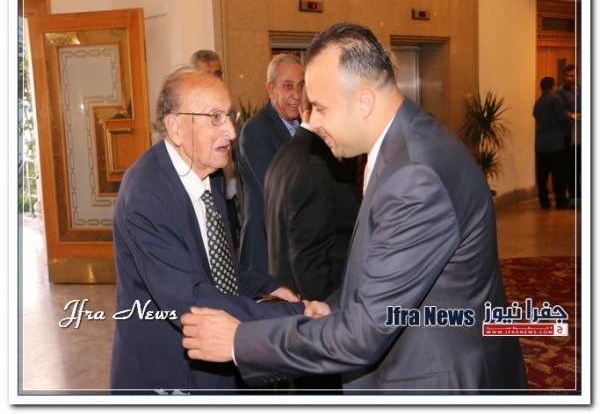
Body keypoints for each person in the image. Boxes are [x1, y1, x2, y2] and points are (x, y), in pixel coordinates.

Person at [180, 23, 528, 393]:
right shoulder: (405, 144)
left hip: (435, 378)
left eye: (320, 107)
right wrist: (334, 307)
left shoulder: (415, 175)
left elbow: (364, 334)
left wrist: (240, 341)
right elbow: (383, 272)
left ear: (363, 102)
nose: (312, 122)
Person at [110, 68, 304, 391]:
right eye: (215, 118)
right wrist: (291, 316)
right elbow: (190, 299)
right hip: (168, 374)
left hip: (214, 363)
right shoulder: (146, 194)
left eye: (229, 115)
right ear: (175, 127)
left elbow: (218, 269)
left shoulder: (209, 173)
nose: (231, 131)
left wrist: (269, 286)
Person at [265, 92, 360, 303]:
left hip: (290, 299)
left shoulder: (286, 153)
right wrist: (329, 311)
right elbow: (308, 258)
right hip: (318, 306)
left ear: (301, 109)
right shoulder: (316, 162)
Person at [237, 53, 304, 273]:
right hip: (266, 251)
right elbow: (277, 193)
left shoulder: (307, 127)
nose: (296, 95)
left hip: (298, 248)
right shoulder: (255, 131)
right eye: (288, 86)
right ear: (270, 89)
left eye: (301, 86)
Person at [190, 49, 240, 241]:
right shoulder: (188, 117)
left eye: (218, 73)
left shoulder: (231, 112)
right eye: (207, 75)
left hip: (228, 201)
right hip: (199, 202)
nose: (215, 80)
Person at [533, 76, 574, 210]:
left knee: (542, 176)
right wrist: (570, 118)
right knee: (559, 175)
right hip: (555, 144)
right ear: (552, 87)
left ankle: (544, 201)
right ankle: (560, 201)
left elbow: (535, 115)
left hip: (540, 145)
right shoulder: (555, 99)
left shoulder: (538, 102)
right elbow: (563, 117)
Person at [556, 64, 580, 201]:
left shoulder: (581, 89)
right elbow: (561, 112)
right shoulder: (560, 92)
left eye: (572, 76)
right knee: (571, 167)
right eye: (568, 76)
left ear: (577, 76)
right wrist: (573, 115)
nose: (570, 78)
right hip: (569, 134)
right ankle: (573, 195)